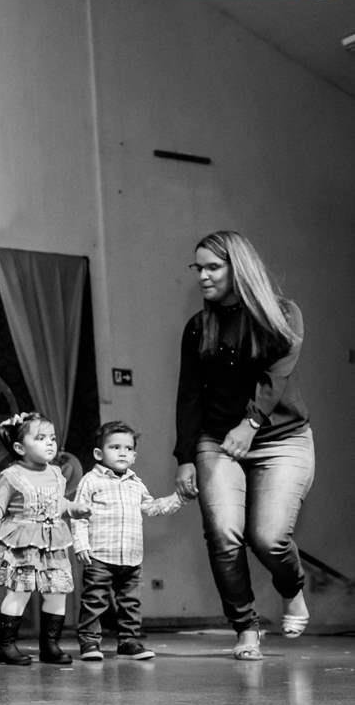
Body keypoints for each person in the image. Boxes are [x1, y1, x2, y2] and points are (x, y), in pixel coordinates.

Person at [174, 230, 314, 662]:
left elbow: (276, 377)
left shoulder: (283, 314)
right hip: (216, 439)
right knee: (223, 534)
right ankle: (245, 626)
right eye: (198, 268)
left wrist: (250, 424)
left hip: (282, 438)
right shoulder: (199, 327)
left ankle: (292, 590)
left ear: (238, 267)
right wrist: (185, 458)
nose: (203, 276)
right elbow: (189, 395)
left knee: (268, 538)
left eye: (212, 267)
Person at [0, 412, 91, 666]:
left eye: (52, 438)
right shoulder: (11, 476)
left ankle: (50, 646)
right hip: (22, 544)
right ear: (20, 447)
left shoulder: (57, 474)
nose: (50, 443)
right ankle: (4, 646)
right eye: (40, 438)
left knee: (57, 593)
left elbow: (57, 503)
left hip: (52, 543)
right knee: (20, 592)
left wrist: (73, 508)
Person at [72, 421, 186, 661]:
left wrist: (179, 498)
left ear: (134, 456)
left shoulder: (136, 484)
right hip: (100, 555)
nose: (122, 452)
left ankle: (129, 642)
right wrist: (81, 544)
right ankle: (90, 643)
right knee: (95, 600)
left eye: (128, 448)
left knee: (130, 602)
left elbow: (151, 507)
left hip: (131, 557)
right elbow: (78, 515)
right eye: (115, 447)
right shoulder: (91, 481)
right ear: (99, 453)